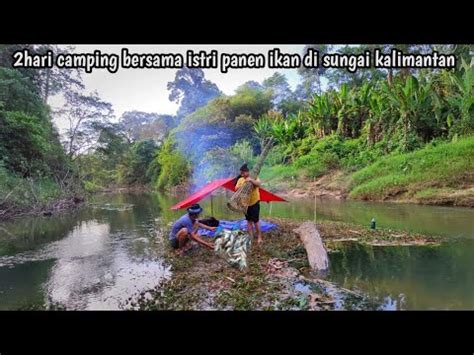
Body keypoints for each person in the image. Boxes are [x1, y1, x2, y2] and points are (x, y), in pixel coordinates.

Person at [234, 163, 263, 244]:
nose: (242, 175)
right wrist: (244, 184)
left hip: (254, 202)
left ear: (247, 172)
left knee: (256, 221)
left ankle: (259, 237)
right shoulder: (240, 180)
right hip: (245, 204)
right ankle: (251, 237)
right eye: (241, 173)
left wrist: (251, 180)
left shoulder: (254, 177)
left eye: (243, 173)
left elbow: (259, 184)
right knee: (248, 221)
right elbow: (236, 189)